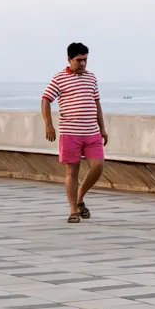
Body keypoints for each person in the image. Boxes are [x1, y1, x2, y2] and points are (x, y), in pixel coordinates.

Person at [41, 42, 107, 222]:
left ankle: (80, 196)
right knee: (72, 171)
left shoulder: (91, 78)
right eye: (79, 60)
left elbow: (96, 103)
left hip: (91, 132)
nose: (83, 64)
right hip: (70, 133)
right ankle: (73, 210)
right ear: (69, 59)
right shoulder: (59, 78)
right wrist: (49, 125)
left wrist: (102, 128)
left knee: (98, 165)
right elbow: (46, 100)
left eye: (85, 60)